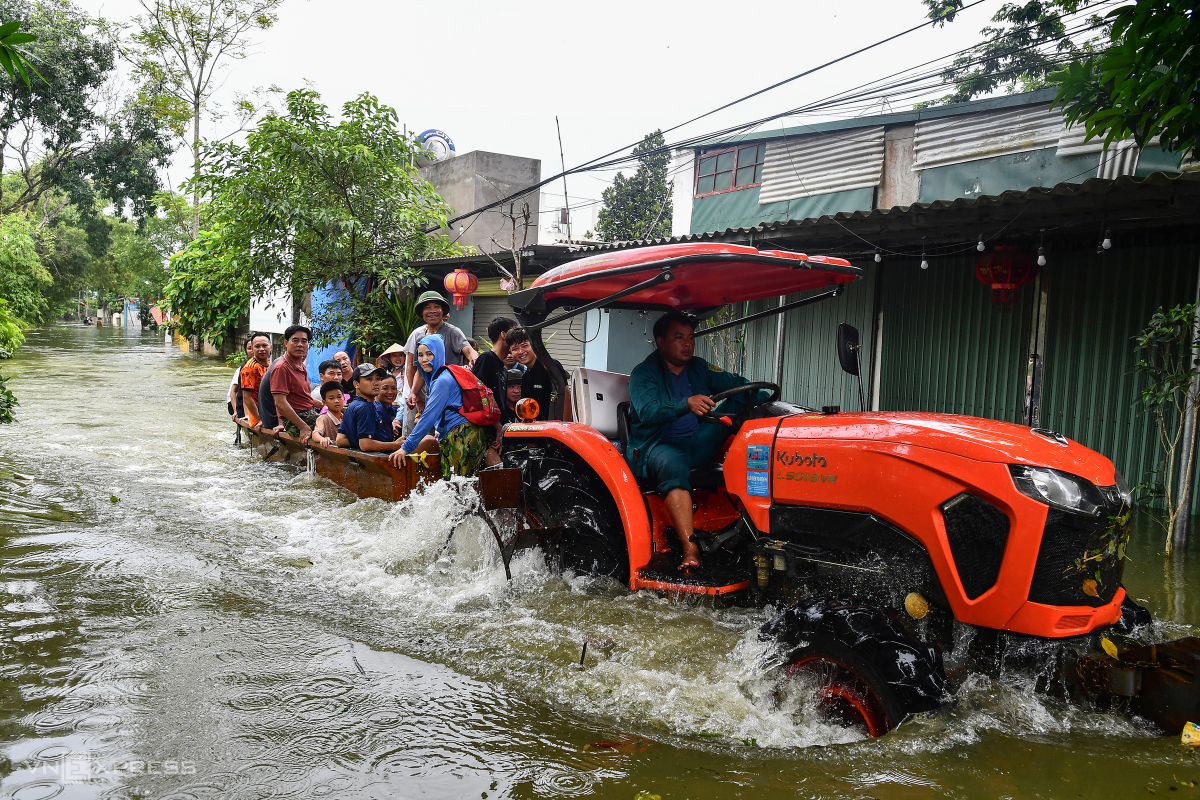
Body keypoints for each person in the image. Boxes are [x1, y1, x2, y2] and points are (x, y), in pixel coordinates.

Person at [627, 311, 758, 570]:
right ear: (661, 341)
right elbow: (648, 411)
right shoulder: (643, 374)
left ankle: (754, 527)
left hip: (697, 441)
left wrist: (765, 400)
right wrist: (685, 404)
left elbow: (739, 385)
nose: (687, 343)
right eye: (679, 337)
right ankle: (690, 547)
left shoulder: (699, 367)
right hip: (658, 445)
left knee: (741, 406)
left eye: (690, 337)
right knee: (673, 465)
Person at [390, 334, 489, 479]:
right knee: (464, 487)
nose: (424, 359)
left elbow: (428, 417)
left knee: (457, 489)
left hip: (461, 435)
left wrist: (405, 448)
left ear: (439, 354)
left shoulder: (442, 381)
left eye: (429, 354)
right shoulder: (444, 375)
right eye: (421, 355)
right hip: (466, 433)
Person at [403, 291, 478, 437]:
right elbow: (416, 369)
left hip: (446, 399)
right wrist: (414, 393)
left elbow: (468, 350)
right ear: (422, 312)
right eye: (427, 307)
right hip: (421, 396)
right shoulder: (418, 334)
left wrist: (474, 357)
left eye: (436, 306)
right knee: (416, 440)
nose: (432, 311)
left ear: (443, 311)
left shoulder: (452, 332)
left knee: (441, 440)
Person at [473, 316, 518, 461]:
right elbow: (477, 396)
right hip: (481, 434)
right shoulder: (486, 359)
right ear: (504, 335)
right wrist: (497, 426)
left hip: (497, 434)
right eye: (513, 332)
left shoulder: (503, 369)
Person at [505, 327, 570, 421]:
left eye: (524, 346)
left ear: (533, 345)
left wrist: (565, 427)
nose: (521, 352)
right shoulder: (526, 376)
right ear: (510, 352)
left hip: (555, 430)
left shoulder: (550, 366)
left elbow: (566, 397)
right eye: (515, 349)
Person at [337, 363, 403, 453]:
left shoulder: (353, 405)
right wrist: (395, 445)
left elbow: (340, 440)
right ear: (356, 384)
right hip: (382, 460)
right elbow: (365, 445)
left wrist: (359, 441)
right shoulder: (366, 408)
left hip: (370, 460)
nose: (375, 383)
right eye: (369, 379)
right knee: (428, 440)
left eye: (378, 379)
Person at [270, 324, 319, 442]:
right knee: (333, 427)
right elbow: (280, 402)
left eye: (304, 341)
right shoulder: (281, 368)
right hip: (298, 419)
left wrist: (327, 405)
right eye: (295, 340)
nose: (300, 345)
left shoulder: (300, 365)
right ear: (286, 343)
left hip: (309, 413)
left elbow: (303, 397)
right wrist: (303, 427)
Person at [240, 333, 272, 427]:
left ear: (270, 347)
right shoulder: (249, 369)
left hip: (270, 410)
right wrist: (260, 419)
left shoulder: (270, 366)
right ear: (252, 349)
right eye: (257, 346)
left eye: (265, 345)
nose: (261, 349)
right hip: (259, 416)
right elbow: (247, 397)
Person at [228, 336, 255, 421]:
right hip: (240, 404)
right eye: (250, 348)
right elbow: (234, 391)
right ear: (246, 351)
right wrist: (236, 411)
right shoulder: (243, 369)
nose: (253, 350)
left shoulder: (268, 366)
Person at [312, 382, 346, 446]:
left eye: (339, 397)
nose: (336, 401)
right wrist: (322, 439)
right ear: (324, 402)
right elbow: (315, 434)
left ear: (344, 399)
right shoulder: (323, 419)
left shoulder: (346, 418)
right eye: (331, 398)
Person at [377, 373, 402, 438]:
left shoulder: (389, 407)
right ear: (376, 389)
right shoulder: (378, 410)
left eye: (393, 388)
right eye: (385, 388)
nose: (390, 392)